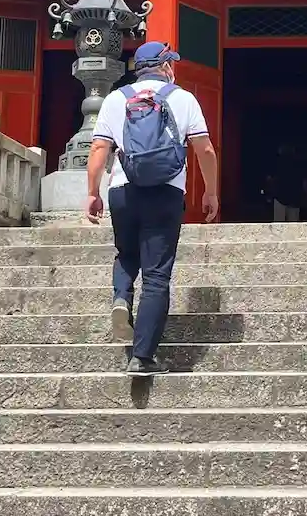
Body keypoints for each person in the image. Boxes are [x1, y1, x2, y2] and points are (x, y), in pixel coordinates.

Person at [85, 41, 219, 377]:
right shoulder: (183, 98)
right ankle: (142, 357)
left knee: (126, 253)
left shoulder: (116, 98)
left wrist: (92, 193)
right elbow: (204, 149)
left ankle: (121, 297)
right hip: (165, 192)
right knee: (156, 274)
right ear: (165, 67)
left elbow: (99, 147)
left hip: (123, 189)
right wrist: (211, 191)